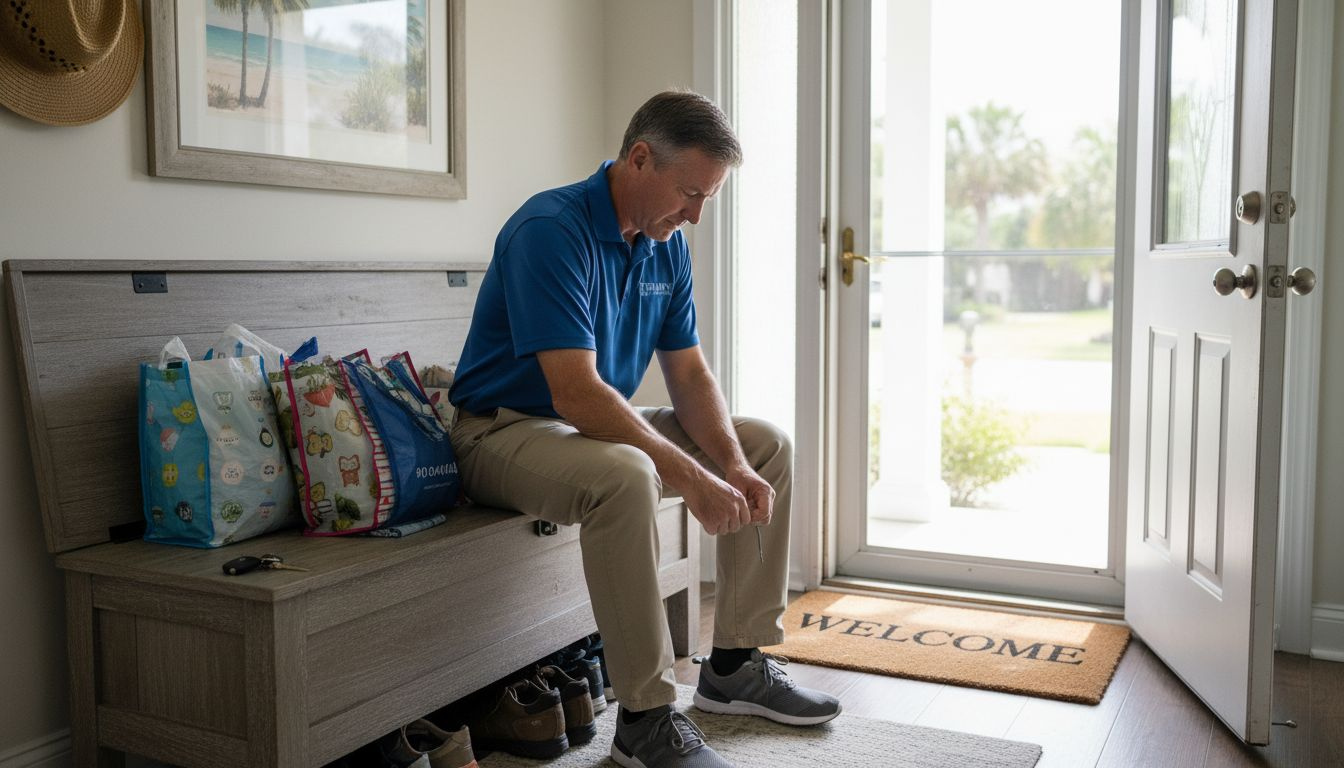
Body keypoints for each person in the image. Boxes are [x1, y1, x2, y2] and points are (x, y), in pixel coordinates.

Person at [448, 90, 841, 768]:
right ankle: (647, 720)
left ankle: (734, 667)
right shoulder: (551, 229)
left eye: (706, 201)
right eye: (688, 194)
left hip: (584, 431)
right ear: (638, 159)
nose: (693, 215)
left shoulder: (664, 246)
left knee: (764, 444)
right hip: (502, 432)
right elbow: (575, 392)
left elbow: (689, 378)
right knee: (629, 473)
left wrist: (732, 467)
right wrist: (689, 476)